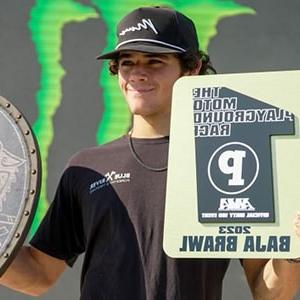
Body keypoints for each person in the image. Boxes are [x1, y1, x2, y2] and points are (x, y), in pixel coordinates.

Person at [1, 5, 300, 300]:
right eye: (127, 62)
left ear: (192, 67)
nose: (137, 74)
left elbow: (268, 292)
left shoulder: (228, 160)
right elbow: (38, 276)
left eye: (154, 61)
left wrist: (295, 251)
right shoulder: (86, 168)